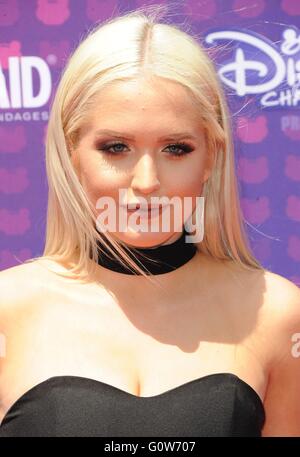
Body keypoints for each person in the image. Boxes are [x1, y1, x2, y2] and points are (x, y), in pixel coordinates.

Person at [0, 6, 300, 438]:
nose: (146, 183)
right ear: (71, 153)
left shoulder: (275, 314)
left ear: (212, 155)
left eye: (175, 149)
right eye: (116, 147)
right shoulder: (9, 312)